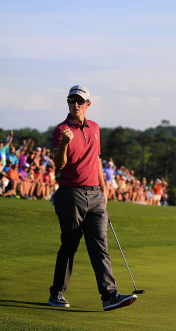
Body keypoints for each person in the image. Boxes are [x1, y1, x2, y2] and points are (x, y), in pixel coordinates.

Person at [48, 85, 138, 311]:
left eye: (80, 101)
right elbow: (59, 165)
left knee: (100, 245)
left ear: (89, 104)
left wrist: (104, 189)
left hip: (96, 195)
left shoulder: (95, 128)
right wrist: (65, 145)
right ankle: (56, 293)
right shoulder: (61, 130)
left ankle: (110, 295)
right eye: (71, 101)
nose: (75, 105)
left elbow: (96, 159)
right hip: (71, 195)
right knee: (69, 245)